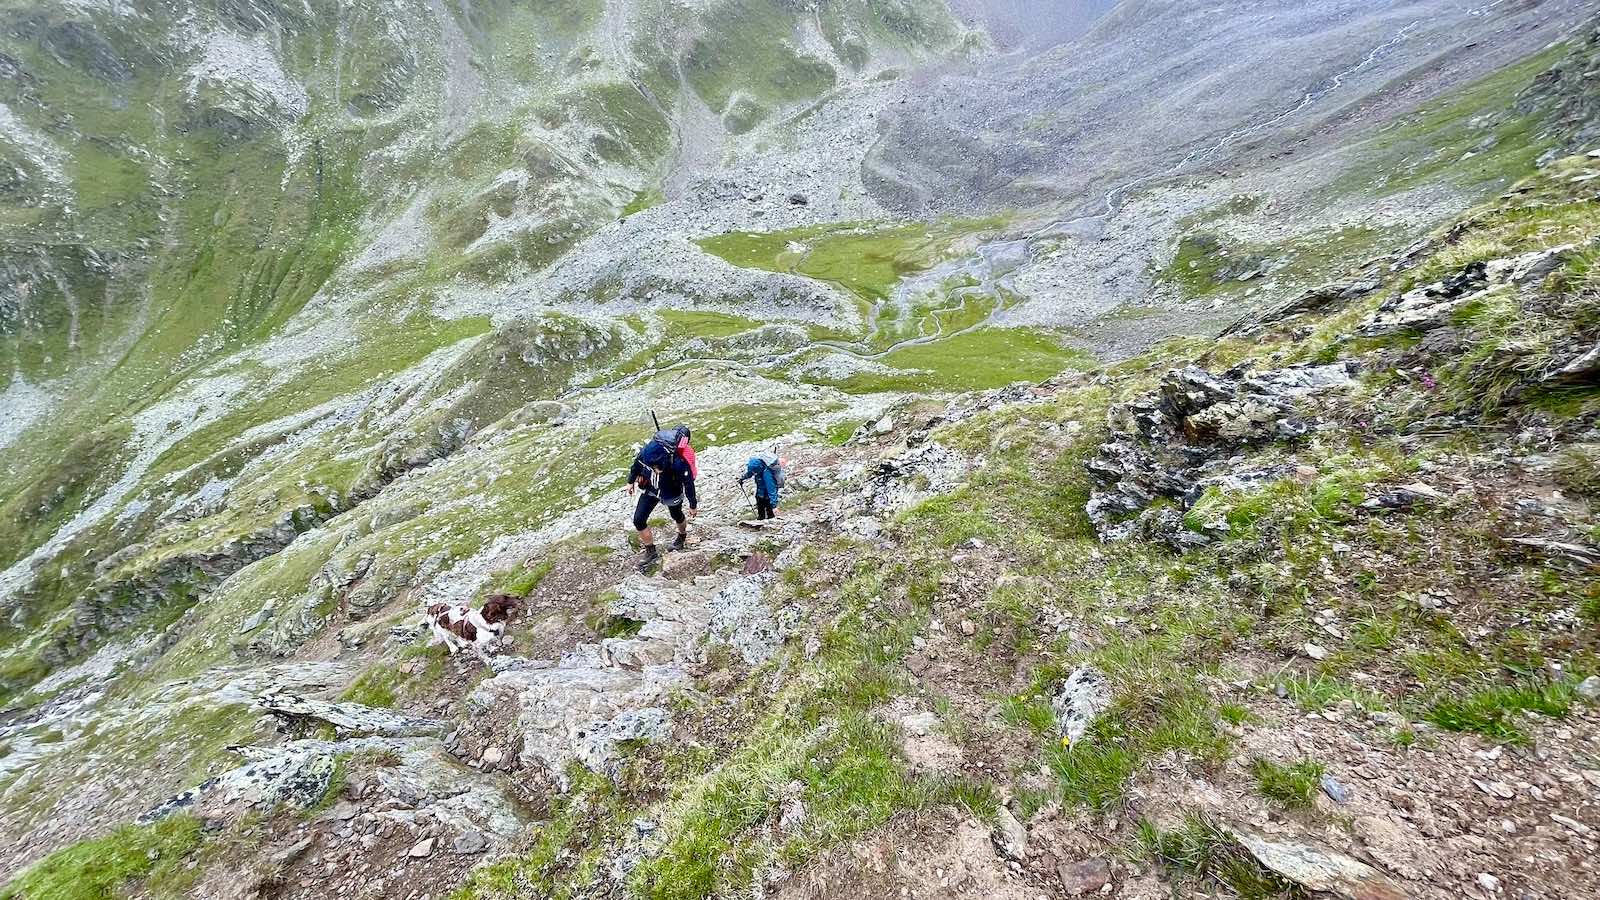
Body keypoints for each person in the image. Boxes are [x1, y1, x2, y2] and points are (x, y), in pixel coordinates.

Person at [627, 426, 698, 571]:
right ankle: (651, 551)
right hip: (651, 488)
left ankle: (681, 537)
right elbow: (637, 464)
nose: (656, 470)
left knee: (676, 514)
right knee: (639, 520)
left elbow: (688, 482)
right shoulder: (647, 454)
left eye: (658, 468)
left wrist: (692, 504)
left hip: (671, 491)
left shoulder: (678, 462)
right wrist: (630, 481)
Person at [739, 452, 782, 521]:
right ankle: (761, 519)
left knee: (769, 511)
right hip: (760, 493)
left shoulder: (767, 474)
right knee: (760, 504)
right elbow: (750, 473)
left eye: (754, 472)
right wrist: (742, 478)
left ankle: (769, 520)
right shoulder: (756, 468)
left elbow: (771, 489)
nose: (754, 473)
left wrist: (774, 506)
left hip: (766, 495)